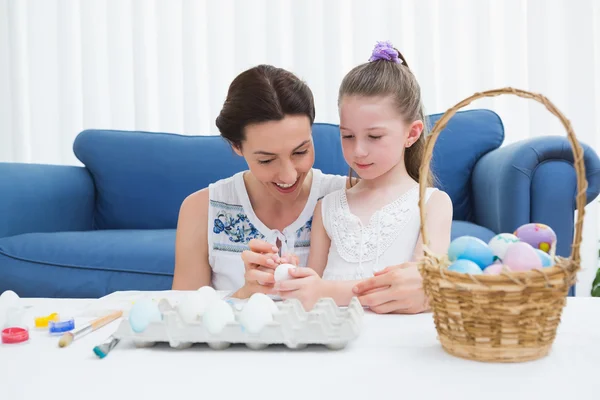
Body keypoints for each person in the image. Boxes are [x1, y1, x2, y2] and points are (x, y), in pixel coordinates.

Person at [272, 41, 453, 313]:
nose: (358, 151)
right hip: (333, 339)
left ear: (412, 133)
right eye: (347, 135)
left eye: (374, 136)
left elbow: (419, 289)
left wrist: (324, 291)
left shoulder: (432, 204)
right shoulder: (328, 207)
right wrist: (290, 276)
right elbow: (311, 293)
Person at [172, 64, 350, 298]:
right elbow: (184, 316)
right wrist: (244, 295)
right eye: (267, 160)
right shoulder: (201, 210)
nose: (289, 176)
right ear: (237, 146)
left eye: (300, 152)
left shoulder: (350, 197)